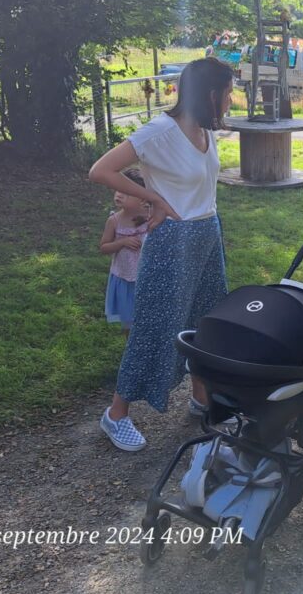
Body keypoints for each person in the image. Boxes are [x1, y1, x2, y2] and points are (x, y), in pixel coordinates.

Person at [88, 57, 234, 451]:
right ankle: (115, 415)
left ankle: (201, 398)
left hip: (207, 233)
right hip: (172, 242)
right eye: (228, 91)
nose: (231, 99)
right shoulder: (159, 132)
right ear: (210, 93)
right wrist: (151, 198)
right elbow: (101, 170)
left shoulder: (205, 132)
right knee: (154, 327)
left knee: (206, 320)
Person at [100, 168, 151, 337]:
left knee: (147, 316)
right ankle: (131, 346)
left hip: (145, 277)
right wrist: (121, 242)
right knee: (129, 320)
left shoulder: (151, 218)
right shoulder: (114, 221)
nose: (119, 195)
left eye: (126, 192)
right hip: (124, 277)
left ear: (143, 198)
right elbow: (104, 247)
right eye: (117, 190)